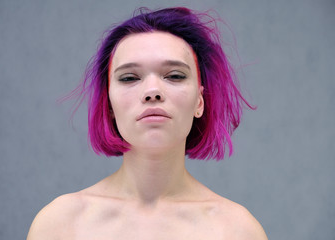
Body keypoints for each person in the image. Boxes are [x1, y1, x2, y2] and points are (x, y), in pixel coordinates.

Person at [27, 7, 268, 239]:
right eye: (130, 78)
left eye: (174, 75)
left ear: (199, 102)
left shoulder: (238, 231)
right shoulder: (58, 225)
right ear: (109, 105)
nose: (152, 91)